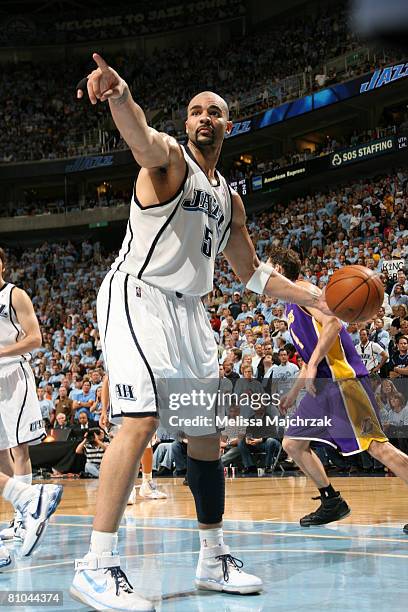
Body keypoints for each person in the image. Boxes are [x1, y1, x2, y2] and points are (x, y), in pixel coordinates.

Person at [71, 53, 331, 611]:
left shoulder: (228, 199)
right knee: (140, 419)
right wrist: (119, 94)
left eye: (214, 111)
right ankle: (95, 564)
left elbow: (252, 274)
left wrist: (311, 295)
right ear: (187, 125)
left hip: (191, 314)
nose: (204, 118)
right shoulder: (169, 162)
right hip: (139, 297)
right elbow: (141, 138)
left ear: (228, 125)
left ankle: (213, 557)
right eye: (195, 111)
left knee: (205, 435)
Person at [268, 246, 408, 533]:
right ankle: (332, 501)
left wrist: (315, 363)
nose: (264, 275)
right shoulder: (290, 306)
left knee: (378, 449)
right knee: (293, 444)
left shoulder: (305, 290)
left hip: (344, 383)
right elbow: (310, 359)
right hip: (322, 387)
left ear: (279, 271)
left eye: (268, 268)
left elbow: (332, 322)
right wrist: (294, 393)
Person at [0, 247, 63, 564]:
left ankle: (25, 515)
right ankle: (19, 512)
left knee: (19, 449)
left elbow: (36, 338)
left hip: (14, 374)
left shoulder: (15, 295)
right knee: (0, 453)